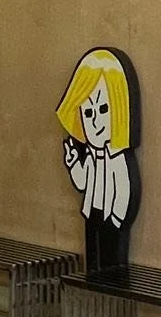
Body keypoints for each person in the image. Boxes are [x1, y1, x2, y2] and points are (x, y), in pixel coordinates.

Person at [54, 48, 141, 272]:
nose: (95, 121)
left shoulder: (118, 158)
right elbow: (83, 182)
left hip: (112, 217)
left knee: (112, 261)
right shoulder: (92, 155)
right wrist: (74, 163)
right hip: (92, 211)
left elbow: (125, 188)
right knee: (93, 259)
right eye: (88, 113)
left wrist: (117, 218)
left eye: (103, 109)